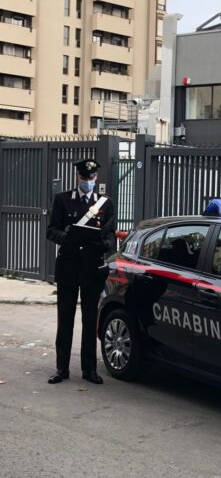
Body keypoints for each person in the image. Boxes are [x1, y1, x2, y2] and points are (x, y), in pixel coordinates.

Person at [46, 159, 116, 385]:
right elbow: (51, 230)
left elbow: (110, 236)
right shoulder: (63, 200)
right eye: (84, 178)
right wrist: (64, 236)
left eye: (92, 178)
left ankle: (89, 370)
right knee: (65, 320)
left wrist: (103, 244)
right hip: (68, 266)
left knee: (90, 320)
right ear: (77, 176)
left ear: (97, 178)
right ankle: (61, 368)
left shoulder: (105, 204)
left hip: (91, 268)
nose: (88, 182)